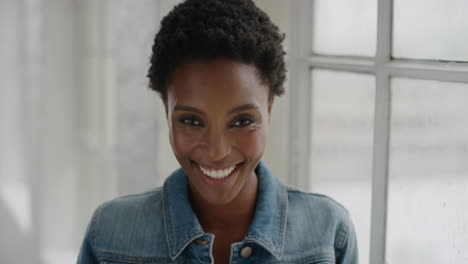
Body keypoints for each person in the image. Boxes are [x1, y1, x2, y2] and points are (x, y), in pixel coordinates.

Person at [77, 0, 358, 263]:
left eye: (242, 121)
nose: (217, 151)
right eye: (191, 121)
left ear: (269, 109)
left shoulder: (329, 234)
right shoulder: (110, 236)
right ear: (166, 109)